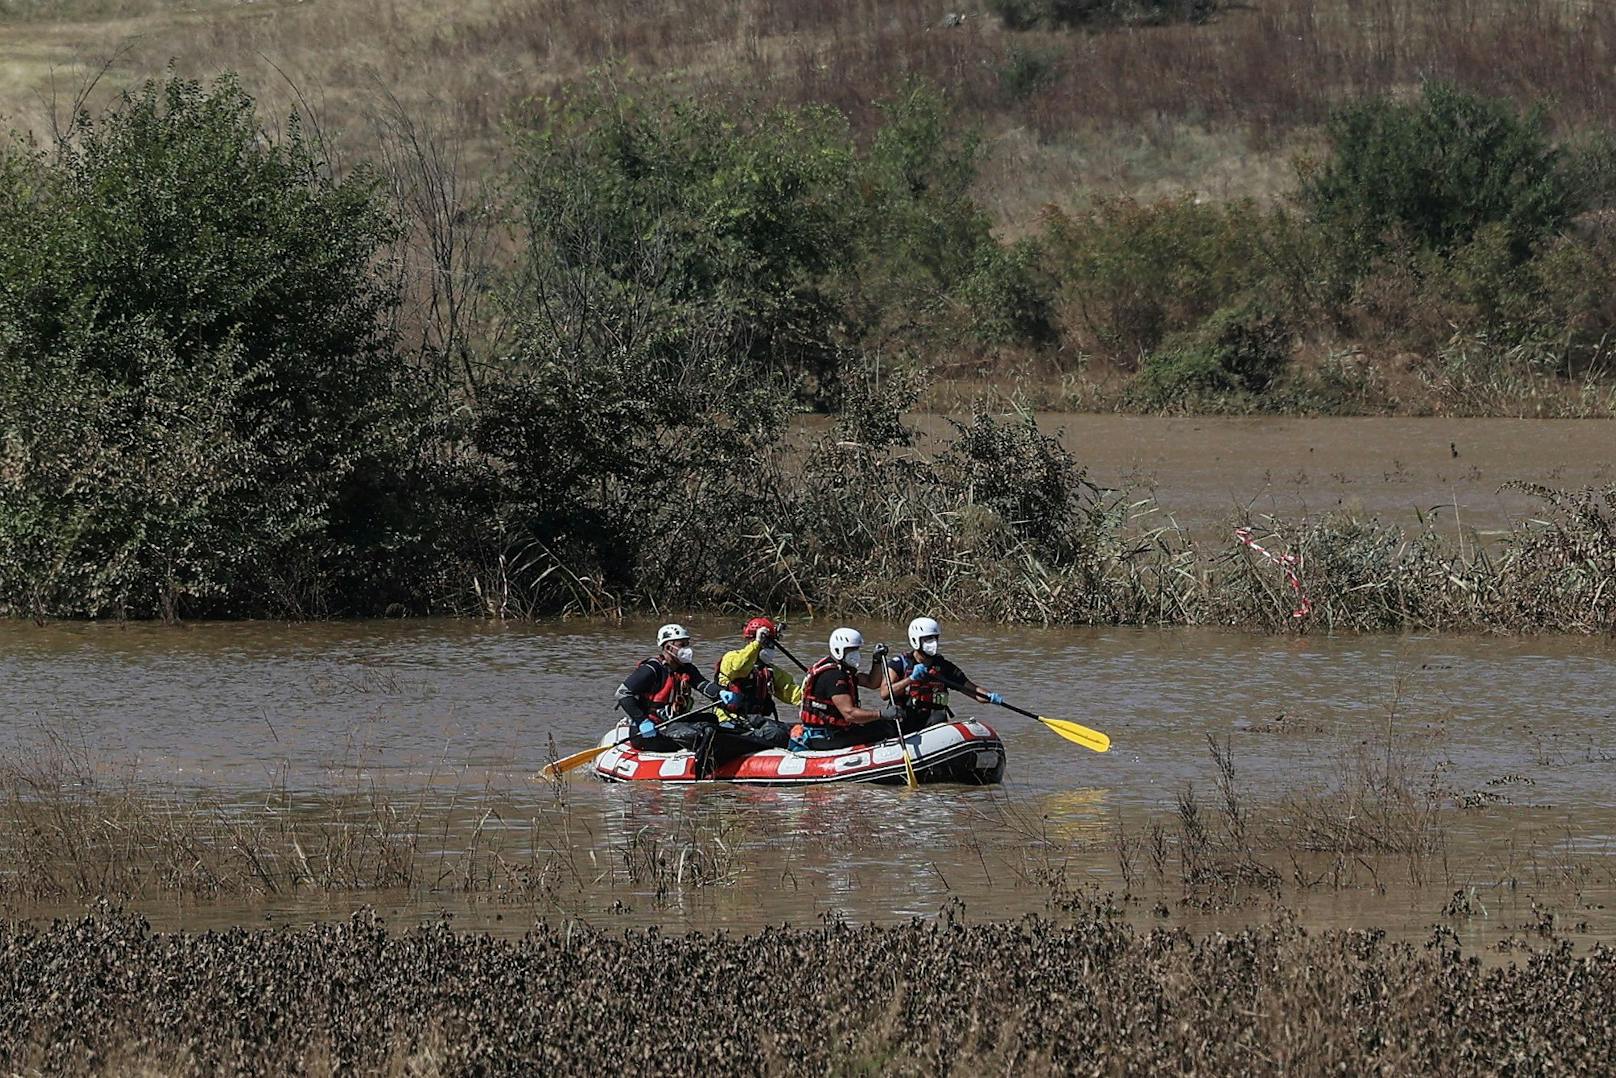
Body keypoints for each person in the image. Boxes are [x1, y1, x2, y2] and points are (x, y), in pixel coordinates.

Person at [614, 623, 727, 776]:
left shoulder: (686, 668)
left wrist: (721, 693)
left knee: (711, 719)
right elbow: (622, 693)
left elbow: (702, 684)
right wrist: (642, 721)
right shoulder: (651, 669)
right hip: (650, 732)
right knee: (701, 735)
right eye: (682, 645)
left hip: (674, 724)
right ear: (668, 647)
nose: (687, 649)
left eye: (687, 644)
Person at [881, 616, 1004, 732]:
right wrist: (910, 679)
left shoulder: (945, 667)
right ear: (915, 640)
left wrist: (990, 697)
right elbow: (885, 693)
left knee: (939, 718)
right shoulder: (899, 664)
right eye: (928, 639)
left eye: (935, 638)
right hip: (906, 719)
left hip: (933, 722)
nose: (933, 643)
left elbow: (973, 691)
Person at [790, 627, 901, 752]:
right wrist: (881, 714)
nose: (856, 654)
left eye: (856, 650)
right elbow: (850, 714)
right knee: (884, 729)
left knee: (883, 725)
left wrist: (877, 661)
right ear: (839, 650)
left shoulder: (844, 670)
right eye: (851, 650)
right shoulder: (833, 676)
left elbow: (872, 683)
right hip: (825, 736)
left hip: (836, 730)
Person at [712, 616, 801, 750]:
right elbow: (739, 667)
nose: (771, 648)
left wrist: (814, 698)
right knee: (776, 734)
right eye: (768, 644)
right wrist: (757, 644)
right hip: (730, 722)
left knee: (792, 731)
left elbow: (792, 692)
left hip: (755, 722)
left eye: (772, 644)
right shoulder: (731, 658)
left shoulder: (769, 671)